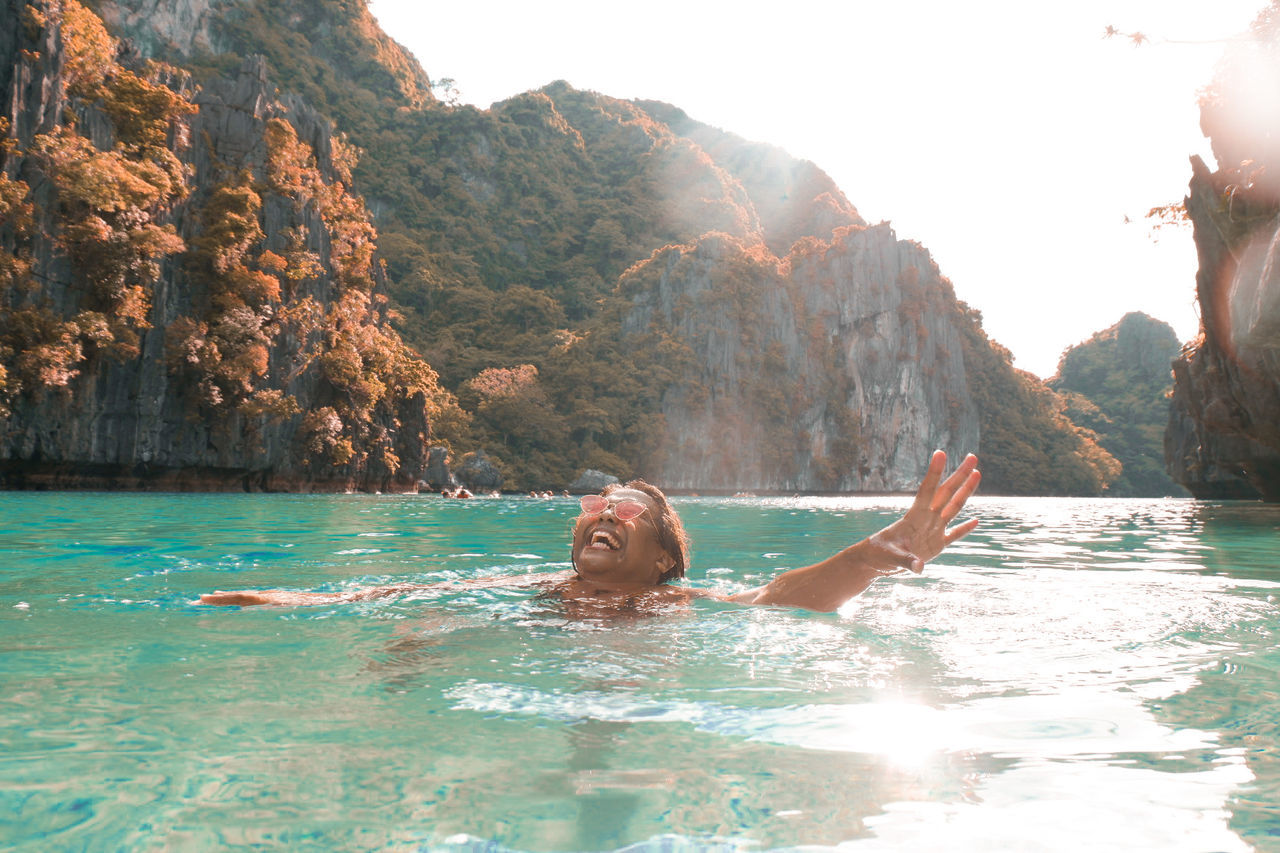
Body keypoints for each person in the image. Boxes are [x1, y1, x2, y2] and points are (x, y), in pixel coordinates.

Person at [199, 451, 980, 613]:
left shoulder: (675, 604)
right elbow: (412, 589)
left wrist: (874, 556)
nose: (606, 510)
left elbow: (776, 597)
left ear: (666, 556)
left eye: (630, 507)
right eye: (595, 502)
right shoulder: (540, 592)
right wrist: (287, 600)